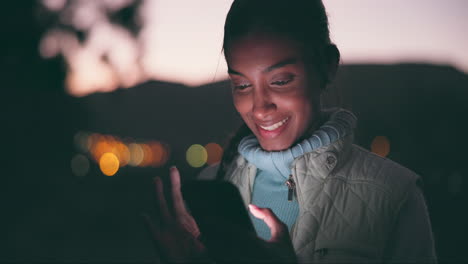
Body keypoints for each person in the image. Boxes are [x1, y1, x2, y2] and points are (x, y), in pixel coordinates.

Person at [145, 0, 437, 262]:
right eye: (242, 85)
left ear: (326, 67)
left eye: (281, 80)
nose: (259, 108)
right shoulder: (214, 185)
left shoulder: (392, 195)